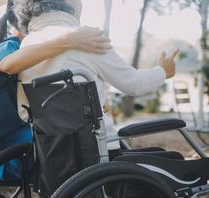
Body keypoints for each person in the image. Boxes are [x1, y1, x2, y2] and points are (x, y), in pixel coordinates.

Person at [13, 0, 179, 154]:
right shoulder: (86, 38)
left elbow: (24, 111)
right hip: (98, 150)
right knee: (169, 157)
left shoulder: (26, 47)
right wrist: (163, 71)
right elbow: (134, 84)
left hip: (52, 152)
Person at [0, 0, 112, 181]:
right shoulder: (10, 47)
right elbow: (8, 65)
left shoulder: (22, 49)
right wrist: (68, 41)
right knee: (81, 148)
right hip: (9, 158)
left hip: (9, 148)